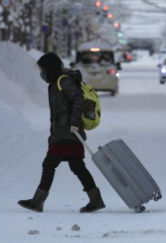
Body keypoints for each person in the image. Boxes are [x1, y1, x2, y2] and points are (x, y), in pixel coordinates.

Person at [18, 52, 105, 213]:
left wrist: (73, 123)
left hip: (67, 133)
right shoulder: (57, 82)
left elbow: (78, 99)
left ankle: (38, 201)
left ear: (49, 68)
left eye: (42, 69)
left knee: (49, 164)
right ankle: (95, 199)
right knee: (77, 166)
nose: (41, 73)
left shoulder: (62, 81)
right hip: (65, 132)